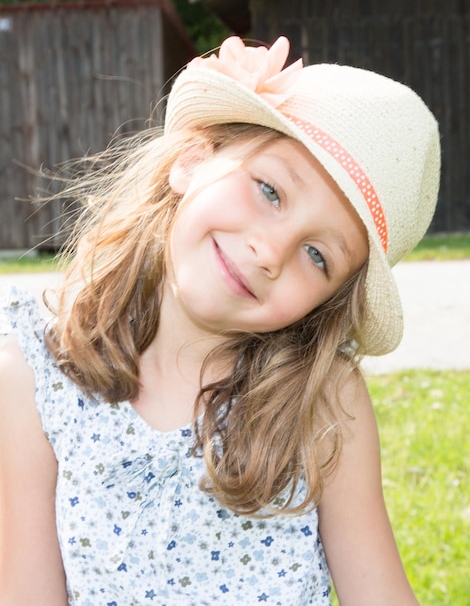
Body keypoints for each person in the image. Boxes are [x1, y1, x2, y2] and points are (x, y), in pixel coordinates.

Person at [0, 36, 440, 606]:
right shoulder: (33, 375)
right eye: (270, 190)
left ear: (326, 302)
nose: (269, 251)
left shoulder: (324, 403)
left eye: (317, 255)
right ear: (192, 158)